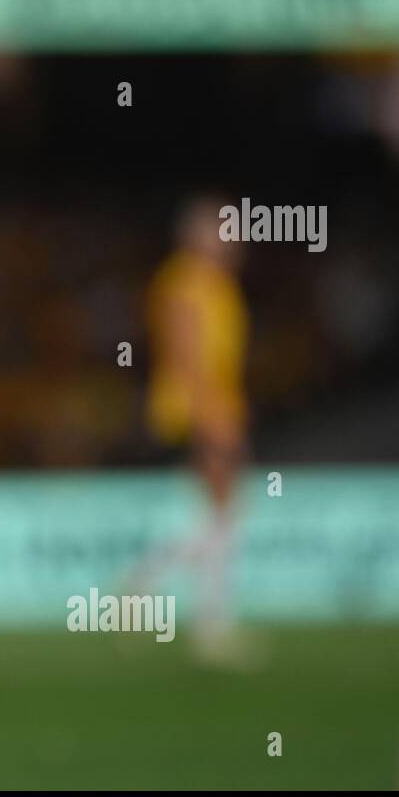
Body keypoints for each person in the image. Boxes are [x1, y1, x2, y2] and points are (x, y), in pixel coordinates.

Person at [131, 194, 255, 665]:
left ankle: (148, 591)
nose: (236, 238)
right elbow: (187, 357)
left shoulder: (217, 284)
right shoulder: (186, 283)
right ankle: (206, 623)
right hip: (197, 410)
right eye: (225, 229)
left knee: (220, 517)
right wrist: (214, 419)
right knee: (224, 516)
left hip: (216, 406)